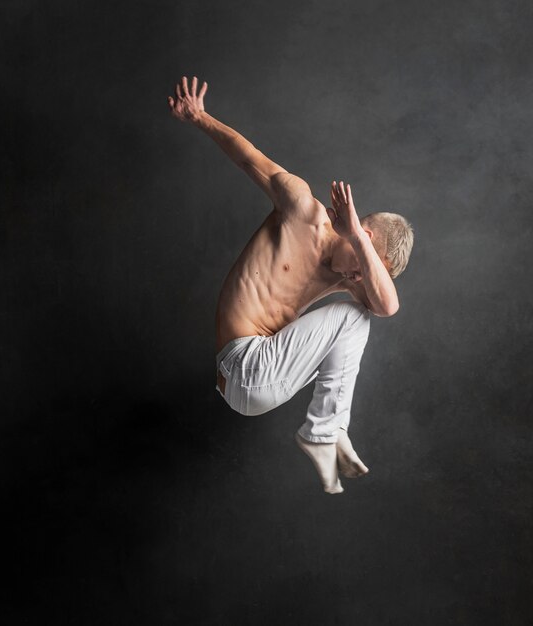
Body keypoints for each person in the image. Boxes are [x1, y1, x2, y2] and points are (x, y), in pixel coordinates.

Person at [168, 76, 414, 494]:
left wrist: (358, 245)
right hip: (242, 365)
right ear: (365, 235)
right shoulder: (301, 208)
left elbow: (388, 306)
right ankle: (322, 433)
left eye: (366, 272)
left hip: (264, 383)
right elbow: (249, 159)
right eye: (362, 265)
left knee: (362, 314)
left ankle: (325, 430)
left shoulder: (348, 277)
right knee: (354, 319)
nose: (356, 278)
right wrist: (200, 117)